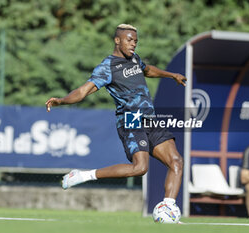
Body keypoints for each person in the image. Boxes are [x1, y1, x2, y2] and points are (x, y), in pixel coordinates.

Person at [45, 24, 187, 207]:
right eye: (129, 40)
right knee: (140, 168)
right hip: (131, 119)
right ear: (117, 40)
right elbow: (83, 91)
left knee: (176, 161)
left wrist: (171, 75)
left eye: (135, 41)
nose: (133, 44)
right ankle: (82, 175)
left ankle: (167, 208)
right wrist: (62, 100)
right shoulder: (107, 66)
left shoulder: (135, 59)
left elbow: (148, 70)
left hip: (150, 118)